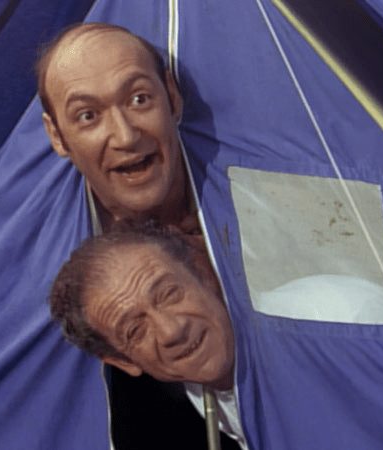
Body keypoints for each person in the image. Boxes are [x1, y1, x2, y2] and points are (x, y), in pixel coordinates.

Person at [49, 224, 246, 448]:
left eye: (169, 294)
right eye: (135, 330)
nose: (171, 331)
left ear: (203, 274)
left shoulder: (283, 320)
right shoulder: (201, 394)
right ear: (122, 360)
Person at [36, 22, 198, 234]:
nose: (126, 137)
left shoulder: (240, 179)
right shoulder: (46, 245)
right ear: (56, 136)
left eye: (139, 100)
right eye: (88, 116)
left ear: (172, 97)